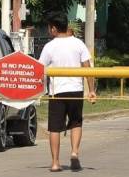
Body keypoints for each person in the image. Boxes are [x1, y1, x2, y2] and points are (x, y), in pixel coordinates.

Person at [39, 11, 96, 172]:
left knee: (55, 128)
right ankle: (74, 152)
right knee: (76, 123)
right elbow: (88, 68)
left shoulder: (49, 47)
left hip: (57, 92)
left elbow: (40, 69)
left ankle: (56, 163)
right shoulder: (79, 44)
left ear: (54, 29)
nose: (49, 30)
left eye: (50, 28)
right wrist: (91, 90)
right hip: (76, 90)